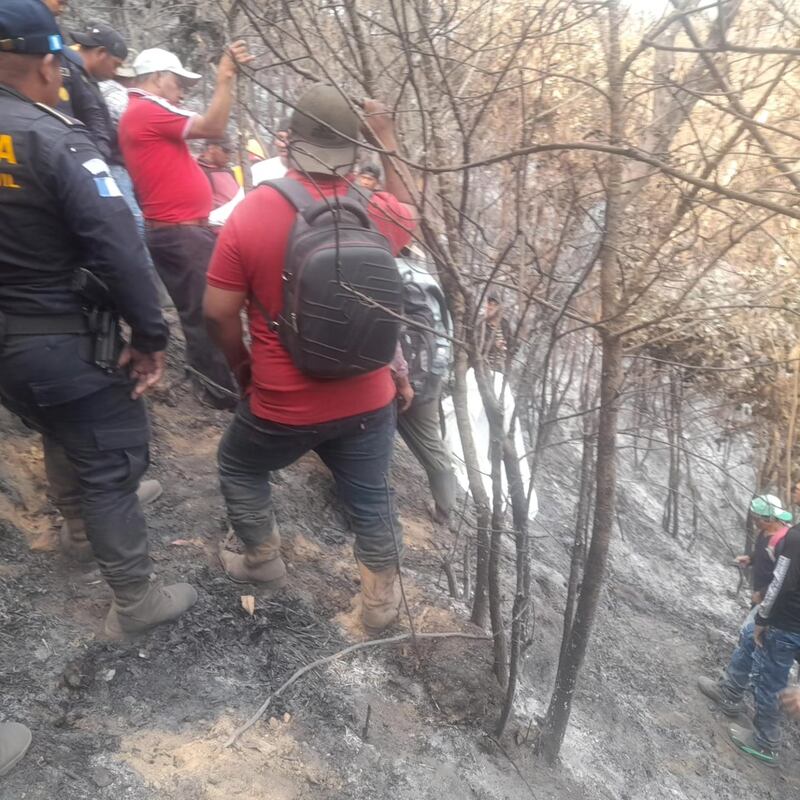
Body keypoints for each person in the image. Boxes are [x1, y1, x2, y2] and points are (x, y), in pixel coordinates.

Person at [0, 0, 197, 638]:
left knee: (58, 423)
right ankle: (135, 600)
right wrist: (151, 336)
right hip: (63, 336)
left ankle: (80, 528)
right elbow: (119, 247)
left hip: (9, 348)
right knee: (113, 461)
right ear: (47, 63)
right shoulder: (55, 140)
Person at [204, 85, 417, 636]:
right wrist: (387, 136)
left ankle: (262, 558)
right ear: (352, 149)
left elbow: (217, 312)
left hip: (284, 400)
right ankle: (379, 605)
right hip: (370, 397)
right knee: (371, 495)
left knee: (240, 465)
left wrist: (242, 367)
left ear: (290, 143)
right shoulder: (374, 210)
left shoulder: (254, 212)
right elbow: (414, 209)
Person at [119, 43, 253, 408]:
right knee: (204, 312)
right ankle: (222, 393)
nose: (181, 93)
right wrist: (225, 76)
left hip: (183, 231)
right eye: (178, 83)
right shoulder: (147, 109)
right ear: (158, 79)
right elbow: (214, 126)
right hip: (178, 232)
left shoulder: (143, 113)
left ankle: (220, 385)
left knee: (203, 309)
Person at [697, 481, 800, 766]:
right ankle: (731, 692)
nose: (797, 485)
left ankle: (766, 741)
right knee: (747, 644)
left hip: (784, 619)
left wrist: (763, 614)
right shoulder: (785, 535)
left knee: (770, 681)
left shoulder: (789, 539)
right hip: (783, 616)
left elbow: (781, 581)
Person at [394, 250, 457, 524]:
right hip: (431, 372)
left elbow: (386, 329)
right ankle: (445, 509)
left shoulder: (386, 269)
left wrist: (403, 378)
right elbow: (446, 332)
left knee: (370, 434)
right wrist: (434, 377)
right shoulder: (429, 280)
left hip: (397, 374)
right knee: (431, 442)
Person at [39, 0, 115, 160]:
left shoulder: (65, 56)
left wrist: (99, 150)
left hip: (63, 154)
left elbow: (90, 109)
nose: (64, 2)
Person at [735, 494, 792, 606]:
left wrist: (763, 594)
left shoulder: (784, 542)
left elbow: (784, 578)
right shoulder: (764, 532)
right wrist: (750, 558)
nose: (755, 522)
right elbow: (762, 551)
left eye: (757, 519)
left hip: (772, 602)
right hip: (758, 594)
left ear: (769, 519)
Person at [477, 293, 514, 373]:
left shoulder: (504, 324)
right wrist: (494, 345)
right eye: (489, 304)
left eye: (494, 305)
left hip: (501, 369)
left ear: (499, 308)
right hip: (483, 367)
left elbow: (511, 344)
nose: (491, 307)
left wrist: (506, 345)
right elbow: (475, 344)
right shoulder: (480, 322)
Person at [250, 118, 289, 185]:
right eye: (280, 138)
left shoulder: (309, 174)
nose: (283, 145)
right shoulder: (259, 170)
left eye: (289, 138)